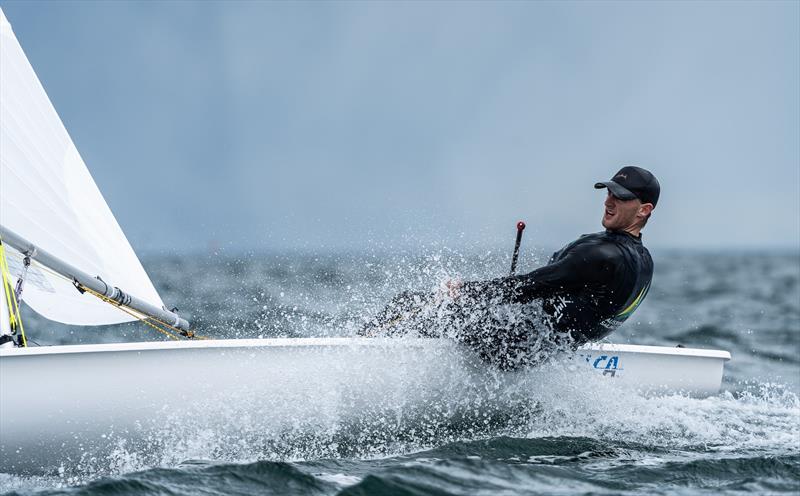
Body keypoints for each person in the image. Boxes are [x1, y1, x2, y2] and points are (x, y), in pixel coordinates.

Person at [361, 166, 659, 370]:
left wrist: (464, 291)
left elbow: (526, 288)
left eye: (620, 196)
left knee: (412, 303)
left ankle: (358, 355)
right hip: (543, 353)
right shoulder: (644, 261)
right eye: (608, 192)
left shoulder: (603, 255)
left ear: (644, 209)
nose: (609, 200)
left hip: (514, 347)